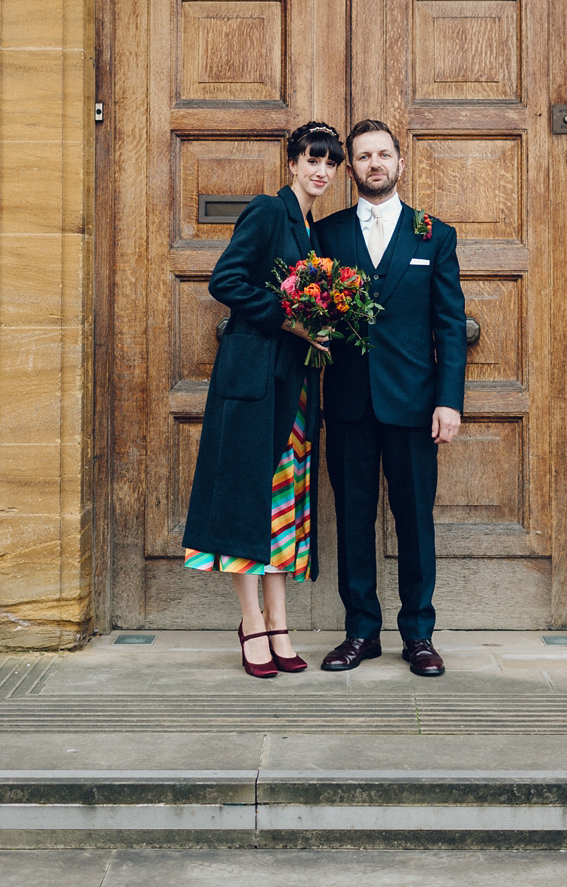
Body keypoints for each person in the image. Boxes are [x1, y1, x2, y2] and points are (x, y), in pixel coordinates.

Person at [181, 121, 344, 678]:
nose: (321, 171)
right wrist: (292, 320)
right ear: (292, 163)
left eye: (330, 163)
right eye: (312, 160)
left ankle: (279, 621)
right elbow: (225, 280)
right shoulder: (267, 211)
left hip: (293, 388)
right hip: (251, 384)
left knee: (284, 504)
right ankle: (251, 623)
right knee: (248, 498)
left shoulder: (310, 228)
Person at [317, 120, 466, 677]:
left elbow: (449, 326)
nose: (373, 164)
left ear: (400, 163)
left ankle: (419, 635)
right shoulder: (327, 235)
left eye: (383, 154)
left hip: (414, 406)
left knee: (414, 522)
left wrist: (448, 401)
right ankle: (360, 632)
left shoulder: (434, 235)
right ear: (350, 168)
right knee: (353, 520)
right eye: (362, 156)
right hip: (350, 403)